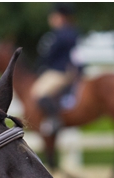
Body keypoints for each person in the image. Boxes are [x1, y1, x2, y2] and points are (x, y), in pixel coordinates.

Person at [32, 3, 80, 137]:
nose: (51, 19)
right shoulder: (70, 32)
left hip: (59, 71)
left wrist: (40, 66)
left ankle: (54, 120)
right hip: (62, 70)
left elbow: (49, 55)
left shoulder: (61, 34)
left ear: (60, 17)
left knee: (39, 93)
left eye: (53, 16)